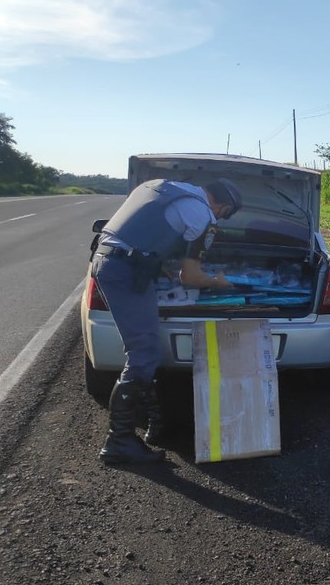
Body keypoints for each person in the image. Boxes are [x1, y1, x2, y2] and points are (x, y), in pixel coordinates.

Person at [91, 178, 243, 465]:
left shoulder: (159, 186)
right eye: (227, 214)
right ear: (223, 206)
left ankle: (154, 426)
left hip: (109, 260)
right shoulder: (203, 215)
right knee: (144, 353)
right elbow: (191, 278)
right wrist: (218, 282)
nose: (222, 219)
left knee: (143, 351)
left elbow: (138, 230)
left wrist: (156, 261)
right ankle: (118, 442)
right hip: (124, 271)